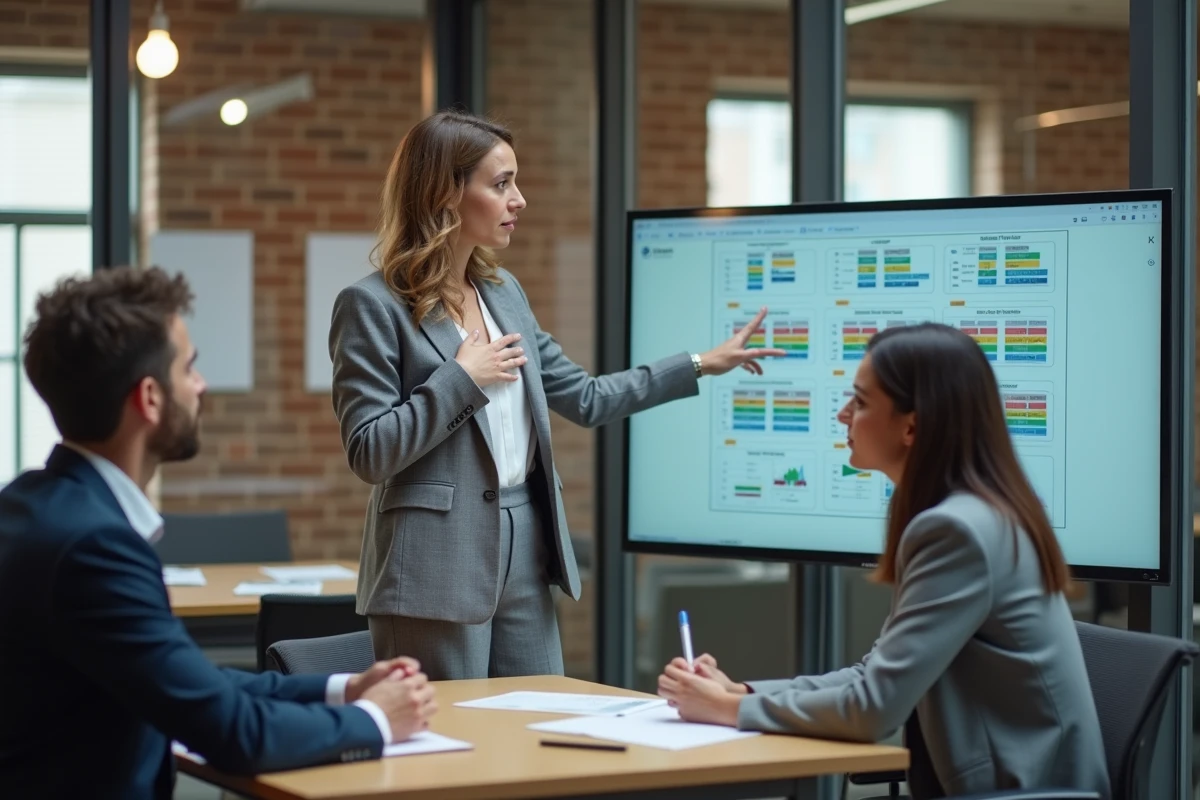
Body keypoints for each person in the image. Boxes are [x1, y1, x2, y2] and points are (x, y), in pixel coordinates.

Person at [329, 110, 785, 680]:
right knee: (454, 739)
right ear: (445, 193)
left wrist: (699, 364)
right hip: (432, 562)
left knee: (534, 722)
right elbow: (370, 452)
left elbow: (587, 397)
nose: (518, 199)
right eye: (501, 185)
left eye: (515, 182)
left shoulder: (503, 291)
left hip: (526, 541)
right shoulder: (371, 306)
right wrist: (460, 380)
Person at [0, 267, 438, 800]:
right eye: (189, 368)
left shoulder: (33, 506)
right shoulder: (94, 547)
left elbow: (191, 686)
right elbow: (235, 734)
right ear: (150, 398)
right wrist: (376, 720)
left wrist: (346, 688)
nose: (201, 385)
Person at [655, 323, 1110, 799]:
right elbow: (872, 676)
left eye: (861, 402)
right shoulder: (965, 514)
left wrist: (727, 712)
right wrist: (739, 694)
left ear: (912, 426)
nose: (842, 415)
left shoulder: (958, 531)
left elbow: (873, 710)